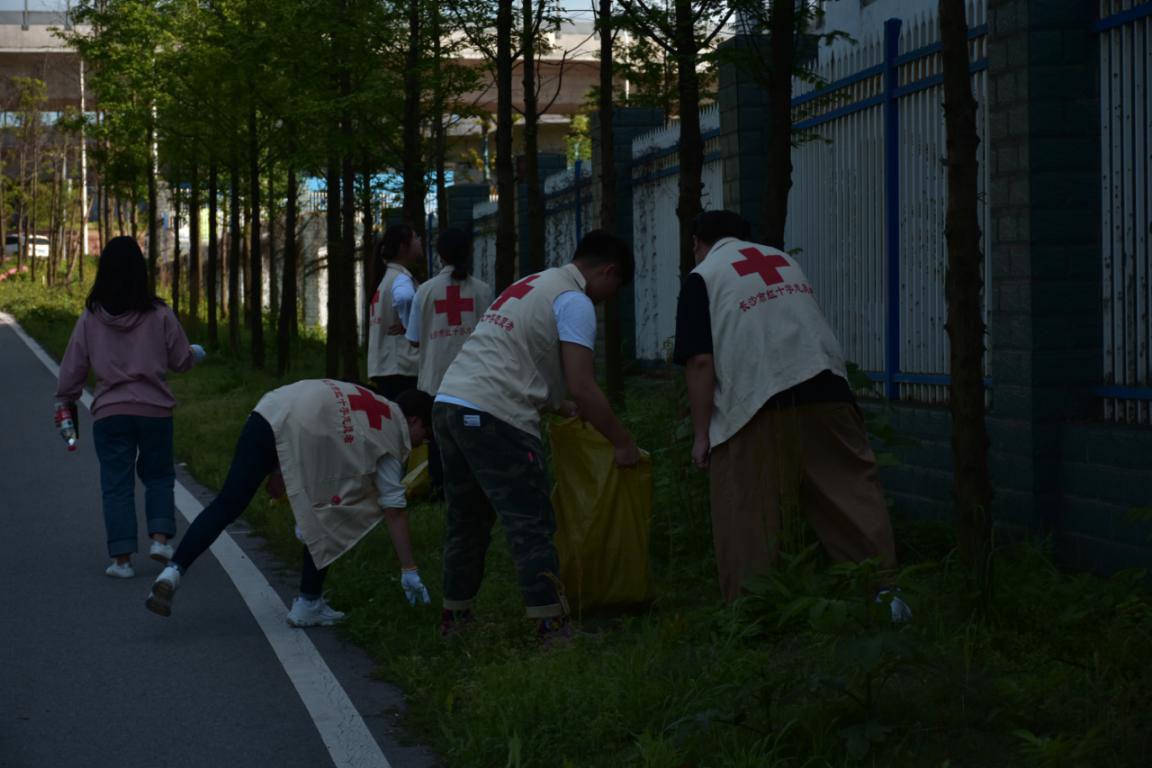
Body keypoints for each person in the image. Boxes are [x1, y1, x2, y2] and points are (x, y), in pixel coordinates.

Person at [673, 211, 905, 612]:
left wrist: (701, 435)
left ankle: (751, 612)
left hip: (758, 401)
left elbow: (699, 362)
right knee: (851, 496)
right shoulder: (783, 261)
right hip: (828, 389)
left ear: (696, 243)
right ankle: (885, 596)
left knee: (746, 510)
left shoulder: (703, 276)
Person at [434, 230, 641, 641]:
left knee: (466, 521)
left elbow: (515, 356)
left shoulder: (534, 283)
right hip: (495, 416)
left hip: (450, 405)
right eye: (615, 288)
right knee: (530, 521)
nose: (609, 300)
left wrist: (559, 405)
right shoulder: (575, 301)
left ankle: (455, 621)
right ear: (609, 271)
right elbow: (583, 385)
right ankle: (552, 628)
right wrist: (622, 443)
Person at [145, 383, 435, 627]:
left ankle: (173, 571)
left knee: (227, 504)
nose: (423, 442)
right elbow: (394, 510)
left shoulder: (368, 396)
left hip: (269, 411)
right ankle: (309, 602)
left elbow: (307, 415)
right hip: (301, 430)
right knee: (329, 513)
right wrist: (409, 569)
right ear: (412, 420)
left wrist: (276, 467)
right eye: (426, 433)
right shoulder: (390, 437)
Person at [55, 236, 205, 579]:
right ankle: (160, 540)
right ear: (141, 271)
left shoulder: (91, 317)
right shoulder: (159, 314)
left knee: (116, 485)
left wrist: (66, 397)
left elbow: (73, 367)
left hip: (110, 412)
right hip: (155, 411)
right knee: (159, 475)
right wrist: (196, 353)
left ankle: (121, 561)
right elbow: (180, 359)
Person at [405, 227, 492, 493]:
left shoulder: (425, 291)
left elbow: (413, 339)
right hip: (473, 380)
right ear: (469, 252)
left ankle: (439, 489)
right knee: (473, 437)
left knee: (438, 438)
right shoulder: (483, 291)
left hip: (436, 380)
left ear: (440, 255)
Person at [367, 224, 422, 400]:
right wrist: (410, 325)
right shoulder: (401, 278)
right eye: (415, 237)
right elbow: (405, 298)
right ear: (403, 247)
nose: (419, 241)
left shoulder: (385, 277)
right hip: (402, 368)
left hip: (385, 365)